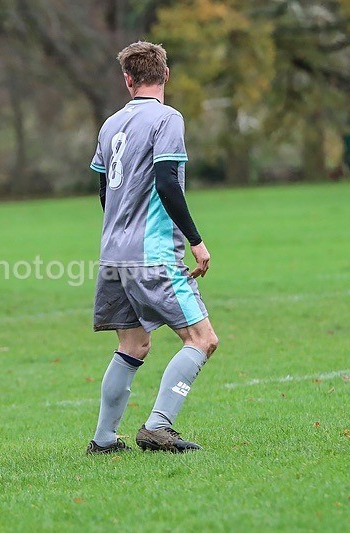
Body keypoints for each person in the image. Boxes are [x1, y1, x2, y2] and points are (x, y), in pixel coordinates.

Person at [86, 42, 219, 454]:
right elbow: (167, 183)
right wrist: (196, 241)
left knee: (133, 345)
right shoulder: (167, 118)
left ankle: (104, 439)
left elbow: (104, 192)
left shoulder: (110, 124)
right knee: (202, 339)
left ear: (128, 80)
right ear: (166, 75)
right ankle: (158, 426)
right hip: (152, 255)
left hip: (113, 255)